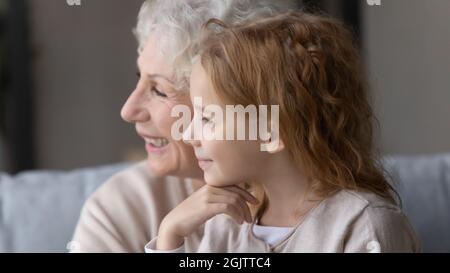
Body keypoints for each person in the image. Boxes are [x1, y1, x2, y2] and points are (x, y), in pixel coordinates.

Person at [145, 11, 421, 252]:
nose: (189, 135)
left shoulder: (365, 226)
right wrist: (170, 236)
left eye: (206, 118)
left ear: (270, 132)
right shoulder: (226, 225)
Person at [70, 0, 299, 252]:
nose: (128, 111)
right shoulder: (118, 209)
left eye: (159, 90)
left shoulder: (337, 214)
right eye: (140, 79)